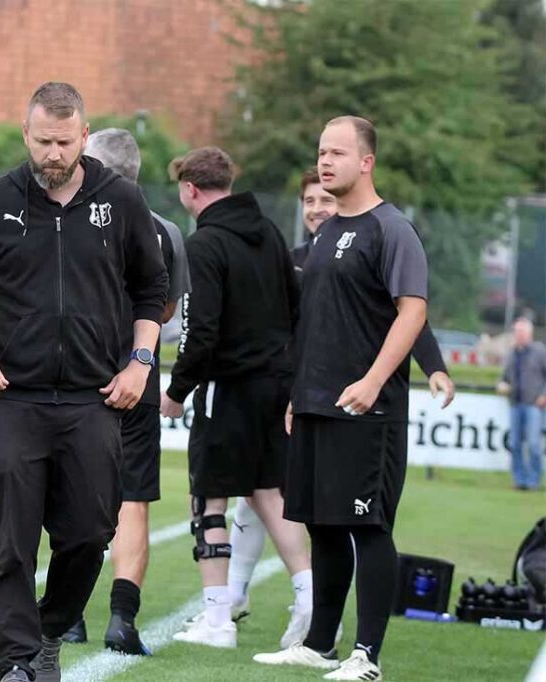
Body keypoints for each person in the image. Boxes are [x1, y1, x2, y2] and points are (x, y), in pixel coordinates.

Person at [0, 82, 168, 682]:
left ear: (84, 136)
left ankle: (48, 629)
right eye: (42, 142)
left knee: (91, 532)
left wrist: (139, 363)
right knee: (13, 538)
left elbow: (152, 291)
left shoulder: (121, 202)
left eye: (64, 143)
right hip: (10, 396)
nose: (52, 155)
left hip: (95, 398)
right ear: (26, 133)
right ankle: (14, 662)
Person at [227, 168, 456, 627]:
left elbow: (411, 314)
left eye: (323, 201)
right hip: (299, 400)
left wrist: (433, 367)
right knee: (265, 503)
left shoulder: (377, 237)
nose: (316, 209)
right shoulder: (297, 259)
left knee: (354, 522)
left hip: (357, 407)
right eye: (308, 202)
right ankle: (257, 606)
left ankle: (346, 636)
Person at [254, 116, 429, 680]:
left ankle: (367, 656)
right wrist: (297, 393)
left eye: (337, 153)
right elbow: (317, 322)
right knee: (324, 525)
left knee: (368, 526)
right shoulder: (326, 232)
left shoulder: (391, 228)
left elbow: (413, 311)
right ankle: (319, 644)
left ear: (366, 162)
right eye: (321, 152)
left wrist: (375, 379)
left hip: (366, 410)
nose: (326, 162)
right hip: (314, 403)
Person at [158, 147, 312, 650]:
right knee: (269, 492)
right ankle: (308, 595)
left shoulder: (204, 244)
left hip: (227, 387)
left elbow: (200, 331)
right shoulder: (268, 232)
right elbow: (295, 308)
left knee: (209, 496)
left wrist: (178, 390)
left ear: (190, 189)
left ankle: (218, 619)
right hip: (275, 381)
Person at [62, 128, 190, 654]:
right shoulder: (167, 231)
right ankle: (122, 619)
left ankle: (69, 615)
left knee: (70, 492)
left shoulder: (68, 221)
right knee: (133, 498)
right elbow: (164, 308)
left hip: (78, 370)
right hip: (139, 371)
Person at [497, 317, 546, 491]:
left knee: (534, 444)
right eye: (516, 332)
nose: (518, 335)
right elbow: (503, 378)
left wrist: (544, 395)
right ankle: (519, 480)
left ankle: (533, 481)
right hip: (515, 404)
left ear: (529, 334)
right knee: (515, 444)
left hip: (534, 404)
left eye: (521, 332)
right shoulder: (511, 355)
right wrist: (502, 386)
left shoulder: (540, 352)